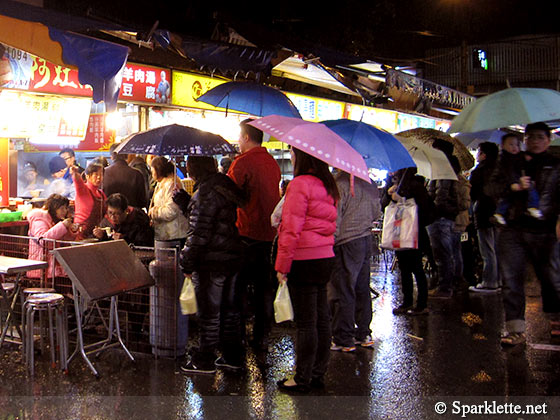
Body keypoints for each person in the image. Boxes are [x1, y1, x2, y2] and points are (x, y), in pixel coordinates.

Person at [487, 122, 560, 346]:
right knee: (511, 279)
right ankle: (515, 329)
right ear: (524, 140)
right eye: (530, 137)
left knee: (551, 278)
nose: (535, 141)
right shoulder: (511, 161)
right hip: (512, 228)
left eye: (540, 137)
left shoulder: (555, 165)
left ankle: (556, 318)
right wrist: (513, 186)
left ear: (548, 140)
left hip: (544, 230)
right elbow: (491, 189)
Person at [275, 147, 338, 393]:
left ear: (302, 156)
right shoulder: (328, 184)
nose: (290, 155)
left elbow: (291, 229)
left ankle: (301, 378)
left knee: (306, 322)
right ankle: (317, 373)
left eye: (292, 151)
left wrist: (282, 266)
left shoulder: (300, 184)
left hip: (304, 259)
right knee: (322, 318)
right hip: (325, 257)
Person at [179, 156, 246, 374]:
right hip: (232, 257)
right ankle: (232, 356)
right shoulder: (223, 185)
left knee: (209, 312)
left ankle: (205, 359)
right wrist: (187, 204)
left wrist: (186, 260)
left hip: (212, 262)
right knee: (229, 311)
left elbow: (199, 234)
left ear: (194, 168)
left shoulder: (205, 193)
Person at [227, 118, 281, 352]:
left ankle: (236, 338)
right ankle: (261, 337)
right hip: (268, 236)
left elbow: (228, 196)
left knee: (236, 291)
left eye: (240, 137)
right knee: (263, 290)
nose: (238, 142)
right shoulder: (272, 162)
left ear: (247, 137)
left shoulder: (242, 163)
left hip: (245, 234)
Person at [328, 171, 380, 352]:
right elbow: (377, 212)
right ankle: (363, 333)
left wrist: (330, 241)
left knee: (344, 288)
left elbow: (335, 216)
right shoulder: (369, 181)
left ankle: (344, 337)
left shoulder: (339, 182)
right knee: (362, 287)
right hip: (365, 239)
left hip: (346, 241)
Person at [383, 168, 434, 316]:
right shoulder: (391, 186)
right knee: (404, 268)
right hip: (398, 233)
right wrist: (390, 196)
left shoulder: (416, 186)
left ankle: (422, 304)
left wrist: (405, 198)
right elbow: (383, 206)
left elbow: (426, 210)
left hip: (415, 234)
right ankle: (407, 301)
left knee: (417, 268)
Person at [426, 139, 461, 298]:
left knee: (442, 254)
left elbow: (441, 194)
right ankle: (451, 284)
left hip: (440, 216)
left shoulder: (443, 168)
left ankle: (444, 288)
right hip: (449, 215)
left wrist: (432, 209)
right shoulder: (452, 167)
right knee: (450, 253)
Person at [469, 142, 501, 292]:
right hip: (499, 214)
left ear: (484, 155)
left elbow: (473, 194)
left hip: (484, 213)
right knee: (496, 248)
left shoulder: (479, 172)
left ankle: (489, 282)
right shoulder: (500, 169)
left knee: (487, 250)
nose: (476, 155)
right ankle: (498, 280)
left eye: (478, 152)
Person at [493, 134, 542, 225]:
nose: (514, 147)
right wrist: (511, 185)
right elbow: (495, 184)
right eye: (511, 144)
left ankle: (532, 207)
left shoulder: (521, 157)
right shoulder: (502, 161)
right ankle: (499, 213)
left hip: (520, 186)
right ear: (503, 145)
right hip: (513, 217)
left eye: (516, 145)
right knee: (506, 199)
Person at [27, 193, 78, 279]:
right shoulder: (40, 219)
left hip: (53, 268)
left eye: (66, 208)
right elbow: (43, 240)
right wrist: (62, 226)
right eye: (62, 208)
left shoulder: (55, 220)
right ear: (54, 208)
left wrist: (72, 230)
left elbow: (65, 239)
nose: (65, 211)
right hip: (40, 269)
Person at [148, 156, 188, 242]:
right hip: (165, 233)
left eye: (153, 170)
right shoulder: (161, 183)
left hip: (173, 234)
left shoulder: (171, 184)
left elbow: (171, 211)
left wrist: (154, 212)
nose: (152, 173)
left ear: (158, 170)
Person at [103, 143, 148, 209]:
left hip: (109, 216)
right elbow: (142, 202)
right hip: (132, 216)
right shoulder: (137, 174)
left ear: (111, 157)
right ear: (126, 155)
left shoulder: (103, 173)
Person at [72, 162, 107, 239]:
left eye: (101, 175)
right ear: (87, 176)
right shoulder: (83, 190)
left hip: (94, 233)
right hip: (80, 233)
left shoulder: (101, 194)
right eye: (96, 175)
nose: (99, 177)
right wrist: (75, 173)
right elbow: (78, 182)